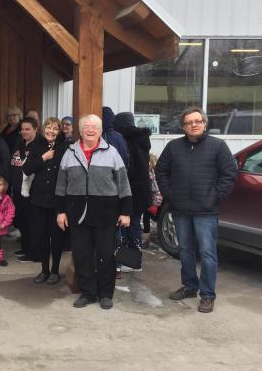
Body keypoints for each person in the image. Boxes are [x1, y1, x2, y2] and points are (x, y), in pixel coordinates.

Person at [155, 107, 236, 313]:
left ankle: (207, 295)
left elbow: (229, 174)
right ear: (183, 126)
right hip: (181, 209)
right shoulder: (173, 147)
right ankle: (190, 286)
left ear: (205, 123)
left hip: (206, 211)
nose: (194, 125)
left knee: (207, 253)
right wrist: (170, 195)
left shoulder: (218, 147)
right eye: (189, 122)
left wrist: (214, 197)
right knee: (184, 250)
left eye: (198, 121)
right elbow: (161, 171)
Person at [55, 114, 131, 310]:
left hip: (105, 213)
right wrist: (60, 211)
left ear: (100, 130)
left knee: (105, 255)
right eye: (86, 126)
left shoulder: (111, 152)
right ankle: (88, 293)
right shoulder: (69, 152)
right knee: (82, 255)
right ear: (80, 130)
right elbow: (61, 185)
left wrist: (126, 212)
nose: (90, 129)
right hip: (77, 213)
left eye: (94, 126)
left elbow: (123, 184)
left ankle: (105, 294)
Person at [23, 118, 68, 284]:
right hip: (39, 199)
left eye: (55, 128)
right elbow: (26, 169)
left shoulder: (64, 147)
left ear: (59, 131)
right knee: (41, 235)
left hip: (57, 199)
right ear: (43, 129)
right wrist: (43, 157)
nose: (51, 131)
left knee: (56, 236)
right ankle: (44, 270)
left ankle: (55, 270)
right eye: (48, 128)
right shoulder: (36, 146)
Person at [114, 112, 152, 271]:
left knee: (123, 225)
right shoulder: (142, 139)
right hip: (142, 189)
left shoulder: (123, 139)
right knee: (135, 224)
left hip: (129, 188)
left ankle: (124, 262)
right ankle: (135, 262)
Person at [9, 117, 44, 263]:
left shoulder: (39, 146)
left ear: (36, 129)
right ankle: (26, 248)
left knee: (32, 223)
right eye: (22, 129)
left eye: (27, 129)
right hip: (18, 190)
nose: (24, 132)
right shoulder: (20, 144)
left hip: (32, 191)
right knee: (22, 221)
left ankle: (34, 253)